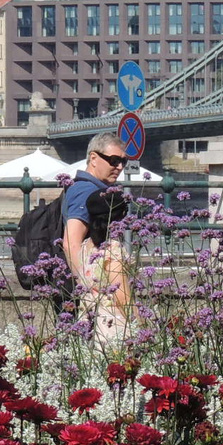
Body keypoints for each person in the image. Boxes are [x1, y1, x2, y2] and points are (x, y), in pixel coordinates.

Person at [62, 131, 131, 338]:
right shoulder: (87, 192)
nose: (119, 167)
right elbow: (70, 243)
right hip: (98, 305)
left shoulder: (89, 188)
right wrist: (85, 291)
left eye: (123, 162)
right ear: (93, 158)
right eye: (113, 160)